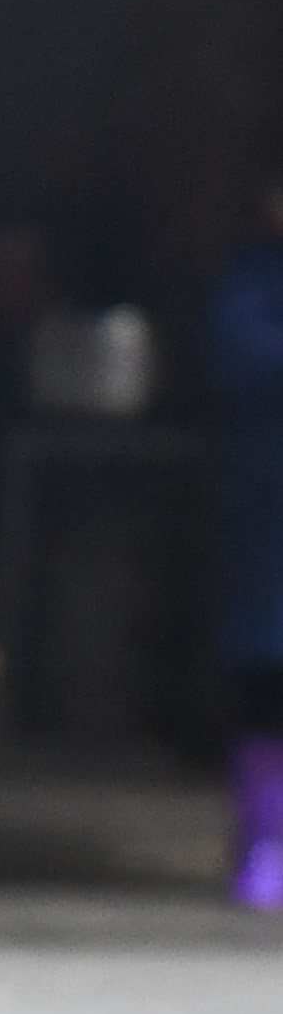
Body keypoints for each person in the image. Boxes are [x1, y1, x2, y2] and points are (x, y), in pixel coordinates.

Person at [219, 178, 283, 915]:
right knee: (267, 682)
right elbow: (239, 356)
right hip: (271, 510)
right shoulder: (251, 280)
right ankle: (264, 842)